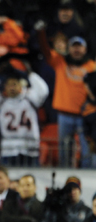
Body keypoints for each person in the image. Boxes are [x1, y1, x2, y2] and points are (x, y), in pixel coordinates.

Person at [37, 23, 96, 167]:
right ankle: (66, 176)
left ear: (85, 49)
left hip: (85, 116)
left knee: (87, 150)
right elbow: (45, 50)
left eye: (79, 47)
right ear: (68, 49)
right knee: (64, 151)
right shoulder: (60, 62)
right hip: (63, 115)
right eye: (74, 47)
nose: (76, 50)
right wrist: (40, 32)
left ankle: (89, 177)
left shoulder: (92, 66)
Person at [0, 65, 49, 166]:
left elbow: (43, 91)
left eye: (14, 84)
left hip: (30, 149)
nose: (12, 88)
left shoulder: (30, 99)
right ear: (4, 88)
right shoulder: (1, 102)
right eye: (9, 85)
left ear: (20, 86)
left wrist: (31, 74)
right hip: (9, 149)